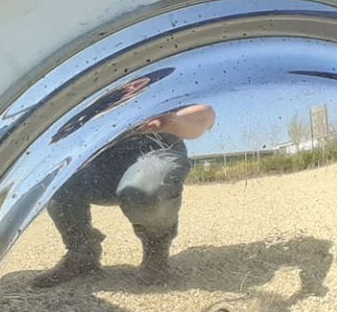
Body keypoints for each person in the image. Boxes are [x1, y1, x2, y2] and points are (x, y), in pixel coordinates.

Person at [33, 103, 217, 287]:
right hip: (98, 162)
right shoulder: (88, 90)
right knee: (55, 178)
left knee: (146, 189)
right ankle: (82, 252)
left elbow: (206, 116)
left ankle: (156, 253)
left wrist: (170, 121)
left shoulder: (153, 79)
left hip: (153, 150)